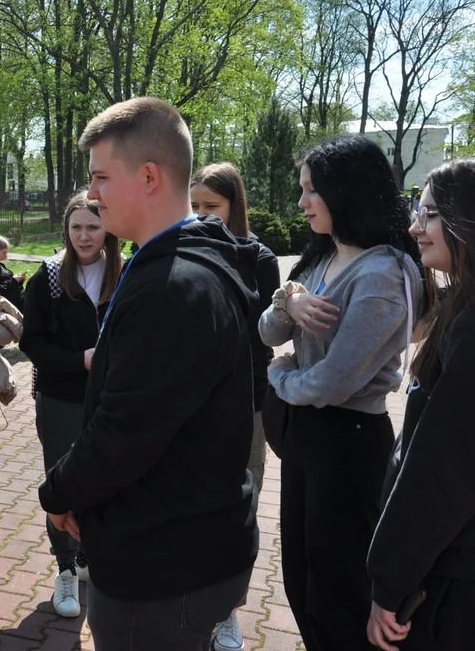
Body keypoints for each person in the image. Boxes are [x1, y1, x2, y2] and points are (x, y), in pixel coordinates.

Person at [38, 98, 259, 650]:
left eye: (101, 177)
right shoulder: (188, 261)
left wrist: (58, 492)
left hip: (164, 568)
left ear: (150, 177)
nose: (92, 194)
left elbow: (125, 431)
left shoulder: (173, 288)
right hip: (184, 544)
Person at [258, 134, 425, 651]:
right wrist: (288, 305)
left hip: (348, 445)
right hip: (307, 439)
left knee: (340, 596)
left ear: (345, 190)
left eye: (312, 190)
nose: (302, 202)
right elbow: (267, 333)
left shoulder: (381, 275)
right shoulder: (318, 259)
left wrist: (278, 377)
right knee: (302, 583)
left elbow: (332, 384)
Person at [366, 160, 475, 650]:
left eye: (429, 214)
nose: (414, 227)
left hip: (453, 584)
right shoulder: (459, 311)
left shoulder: (469, 331)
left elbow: (440, 474)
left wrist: (389, 584)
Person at [191, 162, 281, 651]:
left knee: (241, 505)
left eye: (213, 206)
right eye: (196, 206)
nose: (203, 216)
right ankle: (195, 603)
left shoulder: (260, 258)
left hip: (247, 402)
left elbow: (262, 336)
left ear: (235, 206)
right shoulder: (184, 250)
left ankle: (227, 610)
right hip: (193, 405)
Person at [20, 191, 121, 618]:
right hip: (61, 399)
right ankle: (64, 566)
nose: (84, 236)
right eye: (76, 227)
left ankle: (87, 558)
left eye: (93, 227)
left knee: (104, 480)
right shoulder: (47, 278)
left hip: (111, 400)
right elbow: (32, 343)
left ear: (107, 231)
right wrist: (79, 360)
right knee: (62, 480)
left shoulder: (127, 273)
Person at [0, 235, 27, 309]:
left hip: (20, 297)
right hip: (14, 303)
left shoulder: (0, 265)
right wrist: (13, 280)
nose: (6, 257)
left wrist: (19, 280)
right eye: (4, 253)